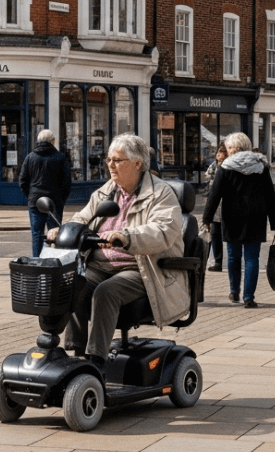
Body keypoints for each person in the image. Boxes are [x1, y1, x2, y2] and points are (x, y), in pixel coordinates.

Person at [46, 133, 188, 369]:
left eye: (118, 160)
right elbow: (85, 215)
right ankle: (75, 353)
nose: (110, 165)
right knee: (71, 282)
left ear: (138, 163)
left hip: (141, 268)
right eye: (109, 159)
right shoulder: (107, 190)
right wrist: (65, 229)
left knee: (106, 291)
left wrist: (126, 236)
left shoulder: (161, 193)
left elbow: (162, 231)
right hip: (100, 264)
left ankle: (96, 359)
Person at [201, 132, 275, 307]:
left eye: (229, 148)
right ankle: (249, 297)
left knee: (233, 257)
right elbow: (270, 196)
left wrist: (206, 219)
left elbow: (214, 195)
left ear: (233, 149)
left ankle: (234, 291)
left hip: (232, 217)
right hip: (256, 217)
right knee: (252, 258)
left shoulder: (225, 167)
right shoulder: (261, 166)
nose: (228, 151)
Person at [18, 129, 72, 257]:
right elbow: (67, 183)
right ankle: (53, 259)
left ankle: (37, 260)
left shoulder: (30, 157)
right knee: (54, 233)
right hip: (54, 201)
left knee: (37, 233)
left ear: (38, 141)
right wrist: (61, 199)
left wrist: (30, 196)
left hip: (35, 201)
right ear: (53, 141)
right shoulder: (60, 158)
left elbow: (22, 181)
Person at [202, 146, 227, 271]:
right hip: (214, 205)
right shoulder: (212, 167)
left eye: (222, 153)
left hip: (226, 205)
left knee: (228, 235)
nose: (219, 155)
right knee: (214, 234)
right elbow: (208, 184)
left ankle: (233, 261)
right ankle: (217, 262)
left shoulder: (228, 167)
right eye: (218, 152)